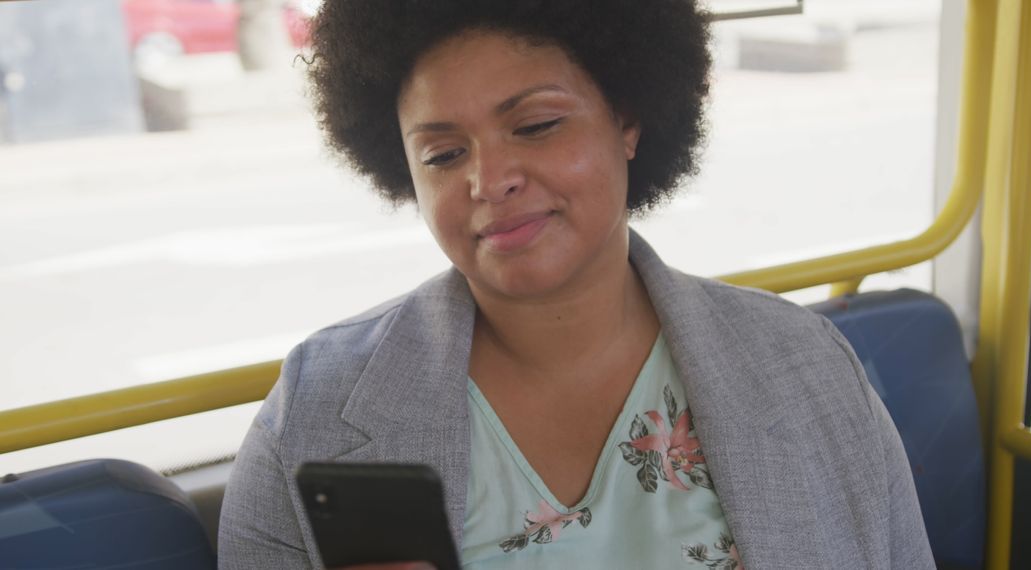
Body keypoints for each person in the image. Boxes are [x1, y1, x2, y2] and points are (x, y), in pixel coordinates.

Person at [218, 1, 934, 568]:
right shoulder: (314, 411)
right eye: (443, 153)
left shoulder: (806, 365)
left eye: (536, 125)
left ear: (627, 121)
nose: (489, 179)